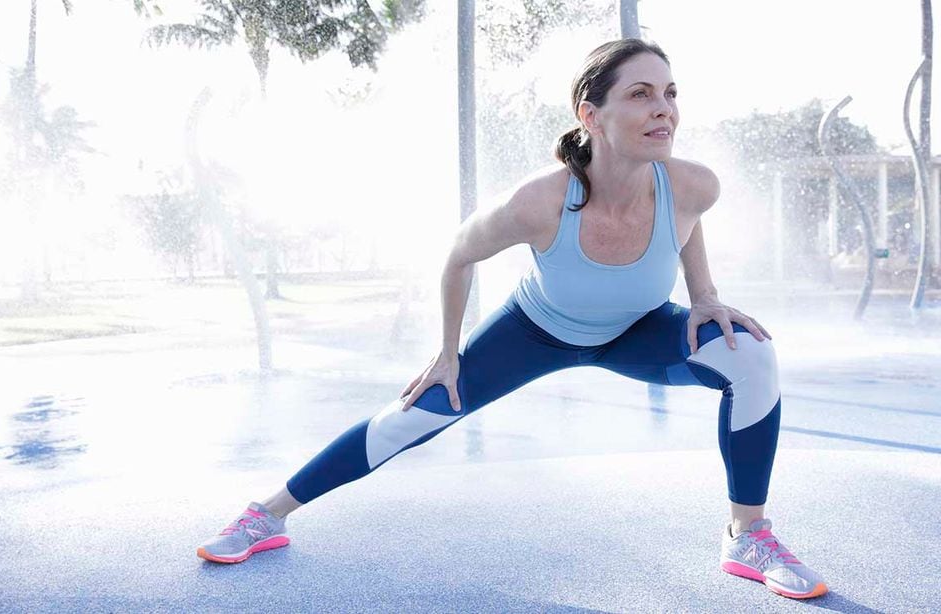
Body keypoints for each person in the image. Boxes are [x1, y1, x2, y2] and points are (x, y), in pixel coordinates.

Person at [196, 38, 828, 600]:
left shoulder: (695, 184)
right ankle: (265, 516)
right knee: (409, 418)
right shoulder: (540, 200)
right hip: (534, 332)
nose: (664, 108)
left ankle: (747, 536)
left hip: (639, 330)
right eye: (640, 94)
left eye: (669, 93)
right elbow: (457, 255)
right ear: (591, 114)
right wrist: (447, 353)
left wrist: (707, 295)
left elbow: (684, 228)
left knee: (751, 357)